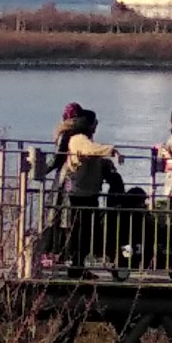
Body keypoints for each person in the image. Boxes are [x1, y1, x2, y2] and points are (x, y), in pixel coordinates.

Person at [60, 109, 121, 279]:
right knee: (81, 232)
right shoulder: (79, 140)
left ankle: (79, 266)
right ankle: (76, 268)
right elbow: (90, 150)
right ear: (88, 124)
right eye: (95, 123)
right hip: (80, 194)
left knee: (86, 232)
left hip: (87, 192)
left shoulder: (83, 139)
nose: (96, 126)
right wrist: (111, 150)